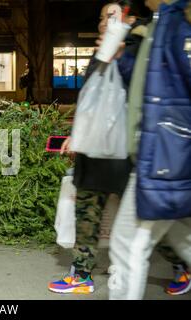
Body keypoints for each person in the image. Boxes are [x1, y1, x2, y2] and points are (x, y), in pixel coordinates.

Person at [47, 2, 134, 295]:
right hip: (94, 150)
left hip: (121, 152)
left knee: (142, 220)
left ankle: (180, 266)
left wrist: (121, 58)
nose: (104, 21)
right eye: (101, 17)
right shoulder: (99, 52)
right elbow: (90, 102)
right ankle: (82, 273)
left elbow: (138, 91)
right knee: (87, 212)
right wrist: (76, 136)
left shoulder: (135, 48)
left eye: (111, 16)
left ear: (127, 19)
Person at [109, 0, 191, 300]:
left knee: (126, 244)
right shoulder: (160, 21)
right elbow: (151, 86)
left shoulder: (178, 21)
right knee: (184, 238)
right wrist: (121, 58)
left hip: (165, 156)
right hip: (165, 154)